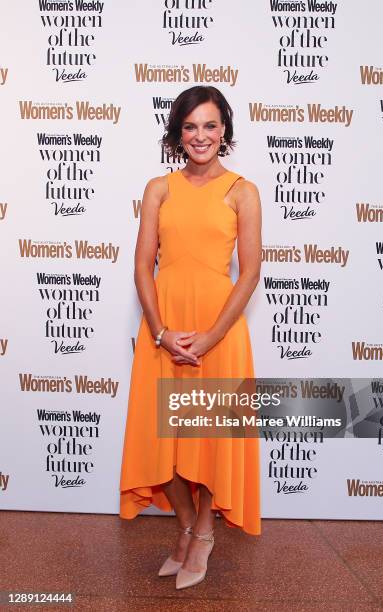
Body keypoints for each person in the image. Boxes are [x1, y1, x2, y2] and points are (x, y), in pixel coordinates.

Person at [119, 85, 262, 590]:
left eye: (210, 125)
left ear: (224, 130)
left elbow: (249, 273)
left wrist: (209, 338)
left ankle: (203, 533)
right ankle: (184, 525)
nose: (200, 136)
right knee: (166, 441)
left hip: (218, 332)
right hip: (165, 328)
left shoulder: (242, 191)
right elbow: (142, 266)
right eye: (190, 127)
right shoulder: (159, 188)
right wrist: (160, 333)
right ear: (177, 134)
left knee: (209, 440)